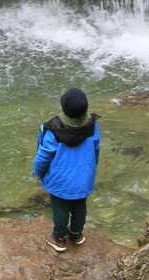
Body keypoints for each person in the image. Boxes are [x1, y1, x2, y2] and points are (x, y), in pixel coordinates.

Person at [32, 87, 101, 252]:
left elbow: (44, 155)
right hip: (84, 177)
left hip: (60, 180)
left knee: (60, 208)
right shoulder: (92, 125)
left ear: (63, 107)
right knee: (80, 205)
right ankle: (76, 234)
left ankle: (60, 238)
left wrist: (38, 172)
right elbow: (96, 148)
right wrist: (91, 169)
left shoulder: (53, 129)